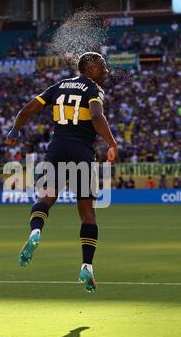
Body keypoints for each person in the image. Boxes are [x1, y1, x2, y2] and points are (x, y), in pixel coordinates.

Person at [7, 52, 118, 293]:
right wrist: (111, 143)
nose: (106, 70)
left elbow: (29, 108)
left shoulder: (58, 85)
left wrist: (15, 129)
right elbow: (97, 116)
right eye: (102, 66)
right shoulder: (94, 89)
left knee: (46, 196)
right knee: (87, 213)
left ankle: (36, 230)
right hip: (82, 151)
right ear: (90, 68)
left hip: (57, 148)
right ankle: (87, 265)